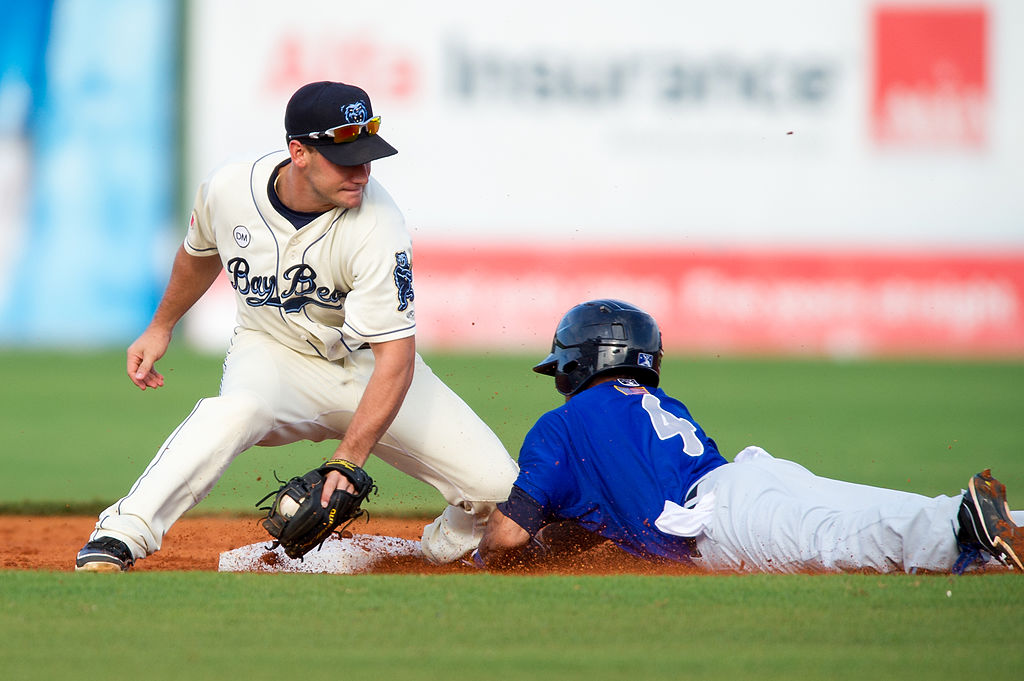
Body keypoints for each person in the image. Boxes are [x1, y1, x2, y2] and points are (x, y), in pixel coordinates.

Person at [75, 81, 519, 571]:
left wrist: (348, 462)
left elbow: (396, 358)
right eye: (346, 159)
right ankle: (120, 534)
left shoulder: (378, 226)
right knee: (235, 410)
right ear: (299, 152)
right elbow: (199, 254)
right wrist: (161, 326)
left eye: (367, 157)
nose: (362, 172)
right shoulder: (229, 189)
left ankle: (431, 553)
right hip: (271, 352)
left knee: (496, 486)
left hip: (363, 367)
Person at [474, 299, 1024, 575]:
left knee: (833, 543)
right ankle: (993, 524)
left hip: (721, 521)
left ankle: (959, 523)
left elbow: (506, 536)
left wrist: (479, 563)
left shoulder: (561, 427)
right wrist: (553, 547)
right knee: (872, 505)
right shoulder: (656, 404)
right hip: (752, 478)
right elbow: (607, 512)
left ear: (578, 361)